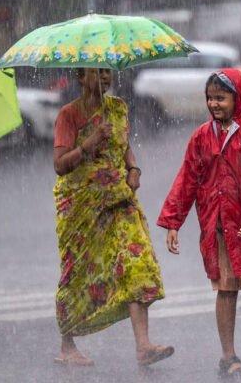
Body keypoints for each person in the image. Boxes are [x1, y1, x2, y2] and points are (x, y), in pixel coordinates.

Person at [157, 69, 241, 378]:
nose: (214, 104)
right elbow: (187, 180)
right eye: (210, 98)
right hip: (220, 228)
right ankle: (228, 356)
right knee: (227, 289)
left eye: (221, 97)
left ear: (237, 98)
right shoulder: (202, 136)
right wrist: (173, 222)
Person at [52, 67, 173, 367]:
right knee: (78, 273)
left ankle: (143, 346)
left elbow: (125, 148)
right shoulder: (69, 115)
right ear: (80, 77)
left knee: (136, 262)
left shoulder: (118, 108)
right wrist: (89, 142)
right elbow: (60, 164)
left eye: (108, 71)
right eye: (97, 72)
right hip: (83, 206)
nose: (105, 77)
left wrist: (134, 169)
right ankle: (67, 345)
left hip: (119, 199)